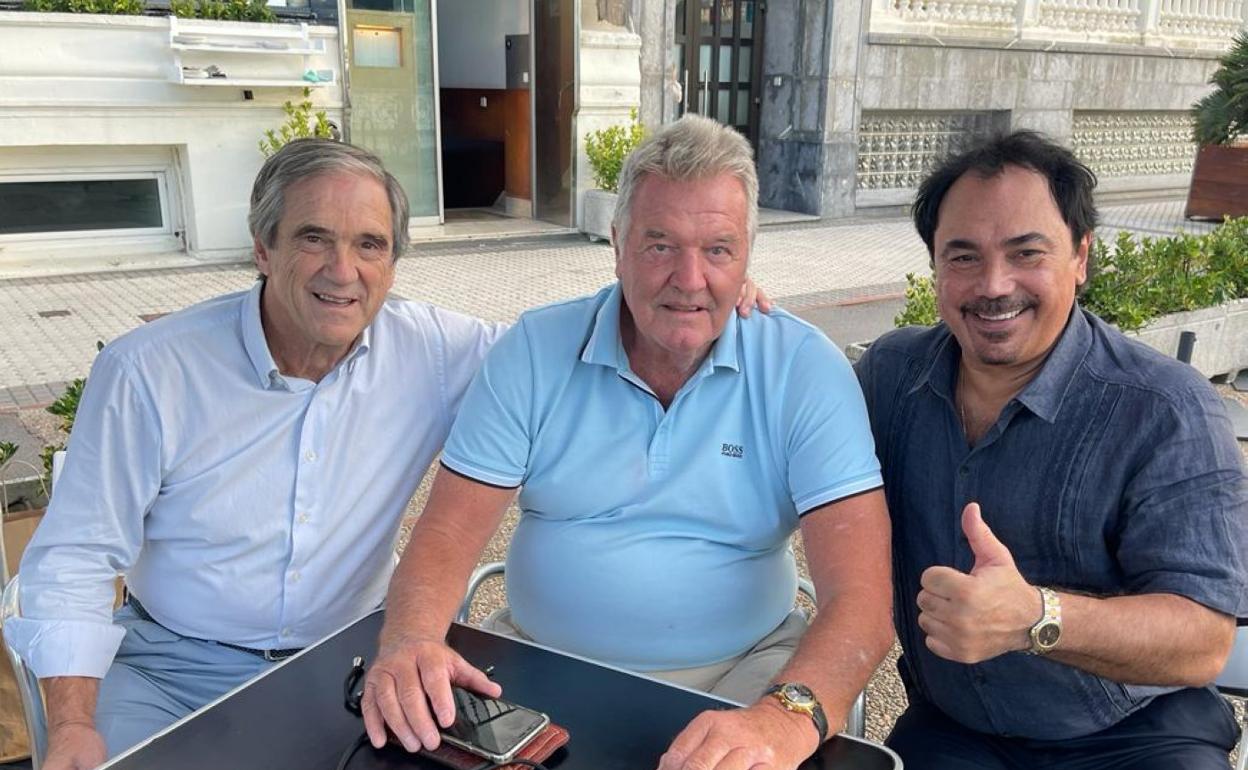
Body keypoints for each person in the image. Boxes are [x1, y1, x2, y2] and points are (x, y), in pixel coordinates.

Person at [7, 137, 769, 770]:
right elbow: (73, 558)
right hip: (173, 669)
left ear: (394, 262)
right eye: (314, 238)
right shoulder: (151, 371)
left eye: (370, 244)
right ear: (263, 246)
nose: (345, 271)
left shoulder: (439, 351)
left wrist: (692, 285)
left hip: (349, 665)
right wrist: (72, 721)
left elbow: (567, 359)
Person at [361, 114, 894, 770]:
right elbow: (444, 537)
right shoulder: (534, 349)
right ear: (616, 244)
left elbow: (863, 601)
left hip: (743, 679)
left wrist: (785, 718)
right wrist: (410, 638)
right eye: (660, 244)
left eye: (718, 250)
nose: (689, 277)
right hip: (538, 664)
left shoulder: (804, 368)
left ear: (747, 257)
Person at [854, 130, 1248, 769]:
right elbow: (783, 456)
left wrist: (1035, 617)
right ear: (934, 266)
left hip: (1134, 734)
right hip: (956, 732)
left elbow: (1202, 641)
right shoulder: (891, 378)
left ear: (1081, 257)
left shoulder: (1167, 408)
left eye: (1026, 252)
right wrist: (733, 320)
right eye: (963, 257)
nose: (993, 284)